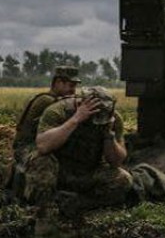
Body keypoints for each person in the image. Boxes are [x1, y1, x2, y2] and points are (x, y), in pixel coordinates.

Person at [29, 86, 133, 236]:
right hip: (58, 170)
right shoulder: (58, 111)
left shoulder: (113, 119)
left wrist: (108, 135)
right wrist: (75, 120)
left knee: (123, 179)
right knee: (41, 161)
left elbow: (116, 161)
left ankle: (77, 202)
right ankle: (47, 210)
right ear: (80, 104)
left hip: (87, 170)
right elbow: (43, 146)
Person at [4, 66, 82, 202]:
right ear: (58, 82)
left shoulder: (52, 100)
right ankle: (41, 200)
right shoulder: (48, 101)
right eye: (70, 85)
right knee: (46, 161)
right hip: (27, 146)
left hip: (38, 142)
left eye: (75, 86)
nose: (73, 90)